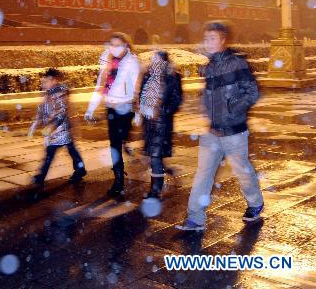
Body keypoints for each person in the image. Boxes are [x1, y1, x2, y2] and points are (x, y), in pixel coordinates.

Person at [176, 21, 264, 232]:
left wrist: (232, 110)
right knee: (203, 174)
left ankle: (255, 203)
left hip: (234, 131)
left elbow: (252, 92)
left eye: (213, 38)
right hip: (212, 131)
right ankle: (195, 218)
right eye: (206, 38)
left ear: (223, 40)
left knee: (242, 171)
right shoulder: (208, 65)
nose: (208, 42)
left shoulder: (236, 63)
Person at [84, 32, 140, 197]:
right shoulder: (106, 61)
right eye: (112, 44)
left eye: (118, 45)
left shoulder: (132, 62)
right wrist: (90, 109)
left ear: (126, 46)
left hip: (126, 106)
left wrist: (138, 112)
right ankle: (118, 179)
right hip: (111, 107)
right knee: (114, 144)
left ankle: (124, 144)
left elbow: (137, 89)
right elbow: (99, 86)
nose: (114, 48)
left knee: (120, 137)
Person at [136, 51, 183, 200]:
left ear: (164, 62)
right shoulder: (147, 76)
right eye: (152, 59)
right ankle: (165, 171)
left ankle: (155, 191)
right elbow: (141, 95)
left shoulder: (172, 77)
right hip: (148, 122)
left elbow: (176, 101)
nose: (153, 61)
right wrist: (140, 111)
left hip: (162, 123)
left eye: (157, 59)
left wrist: (161, 111)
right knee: (152, 156)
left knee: (155, 156)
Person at [28, 68, 87, 185]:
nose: (44, 83)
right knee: (71, 151)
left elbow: (61, 113)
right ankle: (80, 169)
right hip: (54, 131)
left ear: (54, 80)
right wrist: (34, 126)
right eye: (44, 81)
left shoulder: (60, 94)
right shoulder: (47, 93)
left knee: (51, 153)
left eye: (47, 81)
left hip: (62, 130)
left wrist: (51, 127)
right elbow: (41, 110)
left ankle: (40, 177)